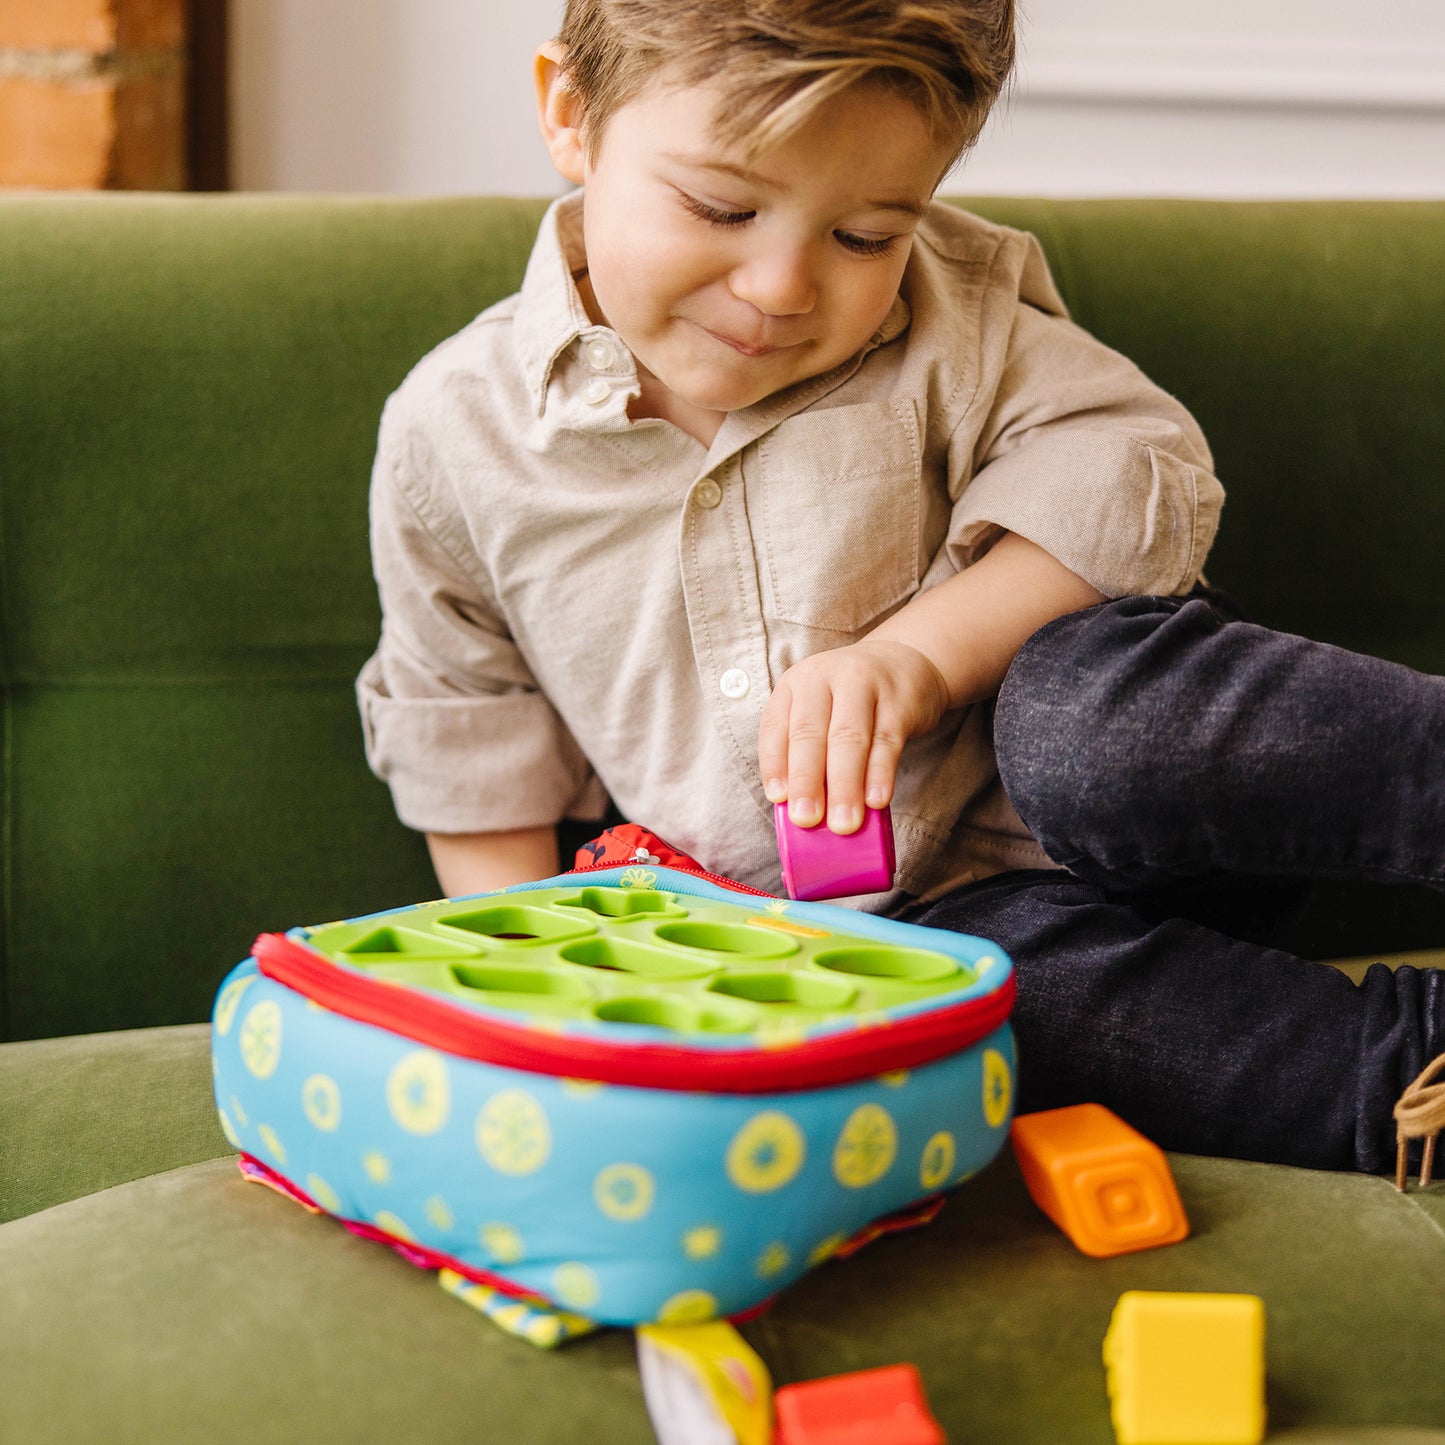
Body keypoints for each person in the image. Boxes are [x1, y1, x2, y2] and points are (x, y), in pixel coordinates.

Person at [357, 0, 1443, 1176]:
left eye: (864, 235)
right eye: (720, 208)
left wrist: (915, 656)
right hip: (911, 933)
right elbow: (465, 730)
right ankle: (1403, 1070)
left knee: (1082, 724)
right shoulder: (454, 437)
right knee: (987, 1004)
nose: (780, 286)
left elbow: (1134, 474)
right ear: (571, 114)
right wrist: (540, 1009)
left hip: (1154, 806)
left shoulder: (954, 317)